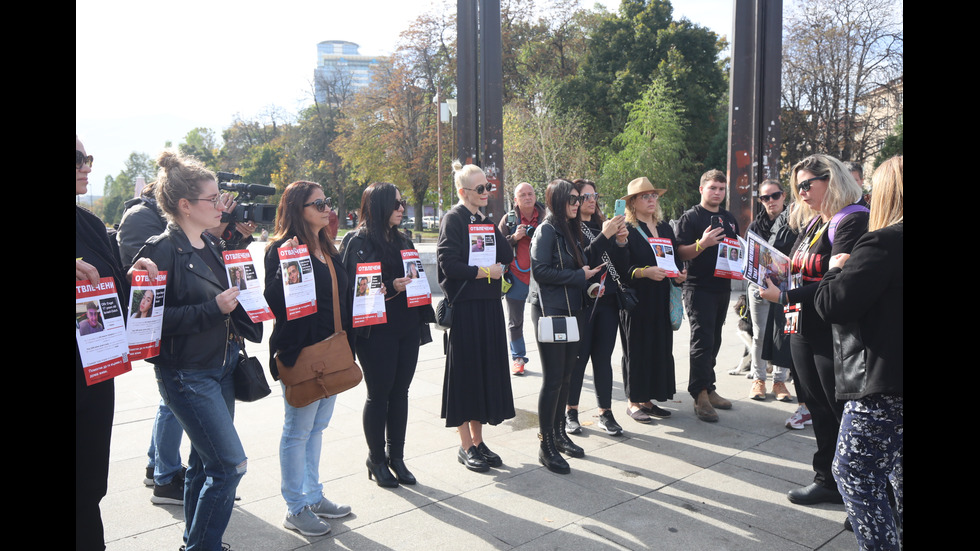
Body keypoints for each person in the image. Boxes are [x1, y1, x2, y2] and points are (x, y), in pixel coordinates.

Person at [135, 149, 259, 551]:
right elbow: (146, 324)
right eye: (212, 198)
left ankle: (195, 541)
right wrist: (213, 309)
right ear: (185, 206)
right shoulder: (160, 250)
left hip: (220, 367)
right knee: (229, 466)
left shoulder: (210, 243)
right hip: (187, 374)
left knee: (203, 466)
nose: (221, 205)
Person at [758, 154, 868, 506]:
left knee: (840, 411)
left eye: (808, 184)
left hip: (828, 328)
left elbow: (838, 282)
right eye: (798, 186)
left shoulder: (852, 220)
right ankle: (828, 480)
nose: (801, 192)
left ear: (831, 179)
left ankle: (863, 494)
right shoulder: (815, 222)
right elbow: (799, 268)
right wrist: (772, 272)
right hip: (800, 322)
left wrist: (786, 294)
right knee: (816, 406)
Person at [815, 155, 903, 549]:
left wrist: (835, 268)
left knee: (854, 472)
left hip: (885, 385)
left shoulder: (883, 241)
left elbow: (834, 303)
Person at [76, 136, 158, 551]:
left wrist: (134, 274)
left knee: (89, 485)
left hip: (95, 370)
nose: (87, 165)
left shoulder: (88, 222)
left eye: (87, 157)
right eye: (78, 158)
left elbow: (109, 285)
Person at [264, 181, 353, 537]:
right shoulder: (282, 249)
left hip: (332, 350)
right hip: (302, 353)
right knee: (297, 431)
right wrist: (285, 263)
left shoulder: (328, 248)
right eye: (318, 203)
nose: (326, 208)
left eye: (326, 202)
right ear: (298, 209)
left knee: (317, 428)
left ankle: (314, 496)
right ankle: (295, 507)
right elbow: (277, 303)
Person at [340, 182, 436, 488]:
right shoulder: (357, 242)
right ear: (379, 206)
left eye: (403, 203)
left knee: (401, 393)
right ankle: (376, 459)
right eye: (396, 204)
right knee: (379, 394)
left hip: (407, 325)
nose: (401, 208)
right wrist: (388, 287)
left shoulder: (403, 239)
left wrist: (413, 282)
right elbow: (352, 291)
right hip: (375, 330)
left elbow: (415, 277)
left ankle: (397, 458)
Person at [437, 160, 515, 472]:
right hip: (467, 309)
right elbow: (448, 264)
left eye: (488, 187)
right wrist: (485, 272)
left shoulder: (482, 219)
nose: (486, 192)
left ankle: (479, 441)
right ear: (463, 191)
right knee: (466, 376)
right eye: (480, 188)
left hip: (489, 307)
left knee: (484, 374)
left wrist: (496, 229)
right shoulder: (454, 219)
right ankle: (465, 445)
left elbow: (507, 256)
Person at [529, 179, 603, 474]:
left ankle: (559, 434)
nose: (577, 203)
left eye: (579, 199)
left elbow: (576, 269)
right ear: (557, 201)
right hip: (551, 311)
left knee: (568, 376)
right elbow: (539, 271)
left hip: (574, 309)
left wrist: (589, 284)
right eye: (572, 199)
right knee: (553, 378)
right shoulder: (546, 230)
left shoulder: (571, 230)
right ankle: (545, 443)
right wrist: (578, 276)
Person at [618, 177, 688, 424]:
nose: (651, 200)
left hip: (661, 298)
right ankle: (632, 401)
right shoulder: (626, 228)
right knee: (636, 350)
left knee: (658, 349)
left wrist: (680, 275)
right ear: (633, 202)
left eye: (653, 196)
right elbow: (620, 268)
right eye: (644, 196)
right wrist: (644, 272)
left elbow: (675, 261)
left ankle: (647, 399)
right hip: (637, 300)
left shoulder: (666, 228)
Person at [564, 179, 629, 436]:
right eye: (585, 196)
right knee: (578, 359)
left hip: (609, 300)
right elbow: (583, 258)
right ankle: (571, 411)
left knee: (603, 358)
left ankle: (605, 412)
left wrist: (621, 242)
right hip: (583, 301)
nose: (591, 200)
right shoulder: (569, 228)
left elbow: (621, 267)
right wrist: (606, 235)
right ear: (574, 201)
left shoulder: (605, 225)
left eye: (594, 195)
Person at [676, 169, 739, 422]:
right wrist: (702, 244)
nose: (717, 193)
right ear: (701, 189)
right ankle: (699, 394)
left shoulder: (729, 218)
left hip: (722, 287)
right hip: (698, 287)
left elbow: (735, 249)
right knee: (701, 341)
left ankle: (709, 387)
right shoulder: (690, 217)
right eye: (713, 188)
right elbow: (680, 253)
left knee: (714, 340)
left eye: (721, 189)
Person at [746, 179, 792, 402]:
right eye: (765, 197)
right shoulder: (755, 226)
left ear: (783, 196)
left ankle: (780, 381)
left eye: (775, 196)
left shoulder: (795, 223)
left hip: (785, 288)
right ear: (760, 201)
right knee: (760, 334)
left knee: (783, 334)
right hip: (759, 287)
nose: (771, 201)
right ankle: (759, 379)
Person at [498, 182, 546, 375]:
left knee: (545, 319)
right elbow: (498, 248)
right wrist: (513, 238)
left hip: (542, 277)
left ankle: (550, 356)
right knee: (515, 321)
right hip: (516, 276)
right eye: (523, 195)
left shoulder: (545, 216)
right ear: (516, 200)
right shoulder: (508, 220)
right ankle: (518, 358)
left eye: (530, 193)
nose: (528, 197)